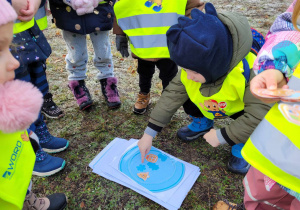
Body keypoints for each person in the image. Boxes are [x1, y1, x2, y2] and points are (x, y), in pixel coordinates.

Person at [137, 3, 271, 174]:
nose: (188, 75)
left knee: (251, 122)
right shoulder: (192, 69)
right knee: (185, 91)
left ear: (215, 64)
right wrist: (149, 134)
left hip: (242, 108)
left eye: (192, 71)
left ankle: (244, 143)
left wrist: (223, 136)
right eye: (184, 69)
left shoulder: (254, 70)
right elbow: (171, 96)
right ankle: (203, 122)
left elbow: (259, 114)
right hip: (215, 101)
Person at [213, 0, 300, 209]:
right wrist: (275, 66)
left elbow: (252, 115)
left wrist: (221, 136)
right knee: (258, 194)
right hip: (275, 150)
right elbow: (291, 27)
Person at [0, 1, 67, 209]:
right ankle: (31, 149)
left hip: (25, 32)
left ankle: (37, 138)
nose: (14, 62)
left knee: (32, 93)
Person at [113, 0, 204, 114]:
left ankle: (167, 101)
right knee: (144, 72)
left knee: (169, 75)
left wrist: (187, 27)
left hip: (168, 43)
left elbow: (194, 6)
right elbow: (122, 8)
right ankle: (144, 94)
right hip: (144, 42)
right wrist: (119, 32)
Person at [49, 0, 121, 110]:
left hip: (99, 9)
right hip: (68, 12)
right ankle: (77, 82)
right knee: (76, 53)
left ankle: (108, 80)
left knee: (103, 49)